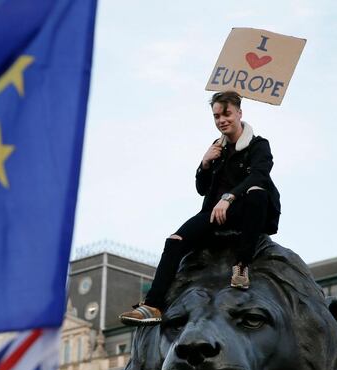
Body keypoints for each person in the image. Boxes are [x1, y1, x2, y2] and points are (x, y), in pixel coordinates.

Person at [119, 91, 281, 325]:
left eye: (226, 114)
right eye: (216, 116)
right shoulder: (217, 148)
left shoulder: (258, 145)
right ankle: (152, 306)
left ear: (239, 113)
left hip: (250, 209)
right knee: (174, 240)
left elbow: (259, 176)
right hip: (217, 212)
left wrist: (229, 197)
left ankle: (242, 265)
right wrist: (204, 163)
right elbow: (202, 189)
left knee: (257, 190)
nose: (221, 120)